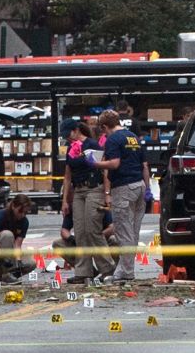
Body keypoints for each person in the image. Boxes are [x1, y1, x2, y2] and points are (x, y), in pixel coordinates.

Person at [90, 109, 152, 284]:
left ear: (104, 126)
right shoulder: (133, 137)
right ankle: (127, 271)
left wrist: (94, 163)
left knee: (123, 232)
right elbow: (145, 165)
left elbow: (114, 164)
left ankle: (124, 273)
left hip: (123, 187)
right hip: (139, 185)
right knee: (133, 232)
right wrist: (147, 189)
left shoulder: (113, 139)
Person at [59, 118, 116, 284]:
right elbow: (67, 176)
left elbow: (103, 170)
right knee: (81, 231)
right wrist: (65, 201)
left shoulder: (92, 145)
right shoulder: (70, 148)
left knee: (92, 229)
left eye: (68, 133)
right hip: (78, 191)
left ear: (77, 130)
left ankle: (107, 269)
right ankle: (84, 272)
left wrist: (107, 194)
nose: (67, 138)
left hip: (94, 189)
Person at [0, 194, 37, 284]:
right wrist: (1, 257)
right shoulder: (0, 215)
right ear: (13, 206)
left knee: (31, 263)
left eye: (25, 212)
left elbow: (17, 245)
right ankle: (6, 274)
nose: (22, 215)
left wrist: (18, 261)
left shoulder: (24, 222)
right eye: (20, 211)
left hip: (8, 252)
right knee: (7, 235)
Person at [52, 208, 118, 269]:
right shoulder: (74, 208)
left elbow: (111, 228)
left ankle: (111, 271)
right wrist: (72, 239)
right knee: (57, 244)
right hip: (81, 242)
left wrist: (97, 237)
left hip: (101, 239)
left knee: (114, 240)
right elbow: (64, 230)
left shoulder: (100, 206)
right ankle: (86, 271)